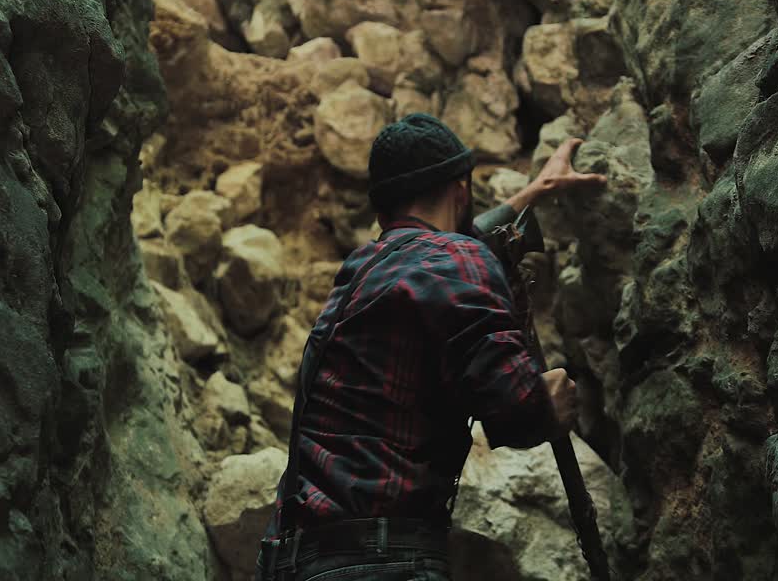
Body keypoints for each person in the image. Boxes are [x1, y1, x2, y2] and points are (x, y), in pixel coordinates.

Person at [255, 113, 607, 581]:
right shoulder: (456, 259)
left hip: (293, 560)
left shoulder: (366, 267)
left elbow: (444, 252)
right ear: (461, 188)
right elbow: (515, 408)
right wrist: (548, 401)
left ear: (383, 211)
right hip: (381, 564)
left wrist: (534, 192)